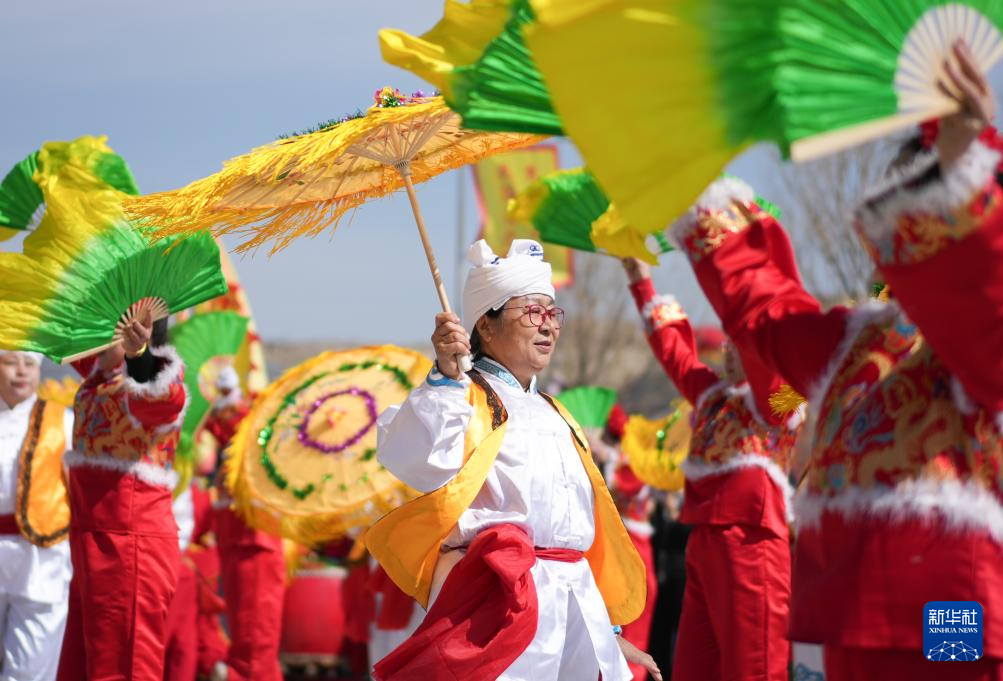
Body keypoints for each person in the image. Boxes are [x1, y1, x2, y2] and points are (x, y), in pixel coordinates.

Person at [667, 40, 1003, 681]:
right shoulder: (854, 342)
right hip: (855, 608)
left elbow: (982, 278)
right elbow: (762, 309)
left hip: (952, 603)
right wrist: (689, 187)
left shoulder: (981, 333)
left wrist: (965, 159)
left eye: (930, 195)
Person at [366, 239, 660, 681]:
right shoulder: (464, 397)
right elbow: (417, 458)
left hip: (572, 600)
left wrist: (605, 628)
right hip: (500, 600)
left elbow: (575, 529)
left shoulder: (557, 412)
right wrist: (445, 377)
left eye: (552, 313)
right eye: (532, 312)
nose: (548, 326)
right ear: (486, 325)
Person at [622, 257, 800, 681]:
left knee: (753, 671)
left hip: (752, 543)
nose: (728, 349)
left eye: (739, 339)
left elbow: (767, 354)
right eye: (728, 340)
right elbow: (675, 353)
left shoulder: (783, 396)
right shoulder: (712, 395)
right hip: (703, 542)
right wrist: (641, 281)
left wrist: (734, 277)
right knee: (694, 670)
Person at [57, 313, 188, 681]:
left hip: (130, 547)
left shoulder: (152, 378)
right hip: (91, 541)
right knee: (81, 667)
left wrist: (139, 355)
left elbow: (161, 397)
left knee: (123, 669)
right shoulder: (98, 377)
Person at [203, 366, 285, 681]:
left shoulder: (257, 433)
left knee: (255, 642)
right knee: (246, 638)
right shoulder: (225, 436)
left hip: (255, 541)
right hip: (239, 538)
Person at [0, 350, 73, 681]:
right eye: (10, 362)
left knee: (29, 669)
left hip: (41, 561)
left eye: (29, 364)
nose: (21, 372)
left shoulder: (64, 421)